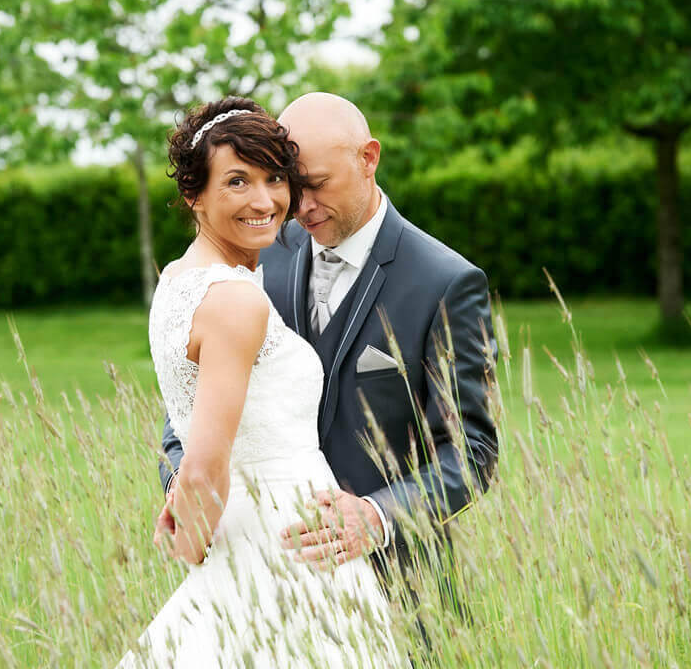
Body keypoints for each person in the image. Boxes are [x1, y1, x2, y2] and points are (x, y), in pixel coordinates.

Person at [117, 97, 405, 668]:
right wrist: (194, 538)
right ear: (194, 194)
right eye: (237, 181)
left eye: (276, 178)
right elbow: (203, 464)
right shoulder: (235, 302)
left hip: (269, 536)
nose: (264, 199)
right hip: (288, 547)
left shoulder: (180, 280)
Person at [159, 92, 499, 573]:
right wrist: (182, 483)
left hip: (396, 579)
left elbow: (472, 453)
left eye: (317, 185)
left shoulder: (447, 284)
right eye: (293, 186)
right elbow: (190, 399)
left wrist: (376, 516)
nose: (302, 206)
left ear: (369, 159)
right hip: (251, 566)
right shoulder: (259, 252)